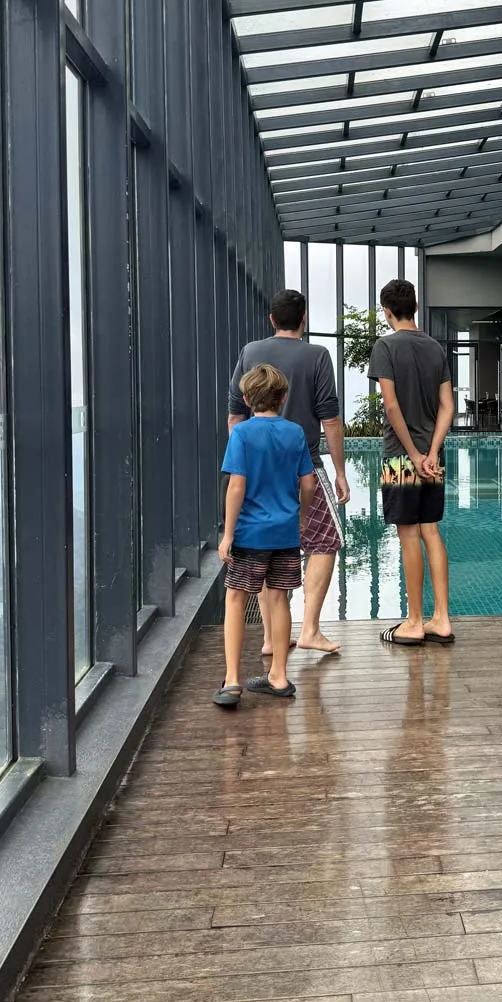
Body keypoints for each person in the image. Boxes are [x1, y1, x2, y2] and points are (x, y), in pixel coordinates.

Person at [228, 290, 348, 656]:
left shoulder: (250, 352)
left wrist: (246, 458)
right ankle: (309, 629)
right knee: (325, 541)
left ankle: (270, 637)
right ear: (303, 319)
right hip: (304, 463)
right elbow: (330, 419)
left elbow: (235, 415)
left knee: (267, 544)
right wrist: (340, 471)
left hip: (258, 472)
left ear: (271, 319)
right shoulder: (317, 355)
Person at [214, 364, 315, 704]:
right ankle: (279, 676)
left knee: (235, 598)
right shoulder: (295, 433)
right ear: (283, 398)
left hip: (250, 534)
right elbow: (308, 484)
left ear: (246, 399)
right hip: (285, 533)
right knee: (279, 598)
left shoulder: (242, 434)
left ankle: (232, 680)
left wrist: (228, 534)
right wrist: (301, 518)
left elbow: (236, 486)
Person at [367, 279, 455, 647]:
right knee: (430, 530)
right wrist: (431, 452)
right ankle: (442, 619)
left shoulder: (385, 346)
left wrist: (414, 455)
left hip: (401, 458)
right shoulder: (435, 348)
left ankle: (415, 621)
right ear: (416, 307)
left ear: (387, 312)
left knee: (408, 537)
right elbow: (448, 407)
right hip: (434, 459)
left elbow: (391, 406)